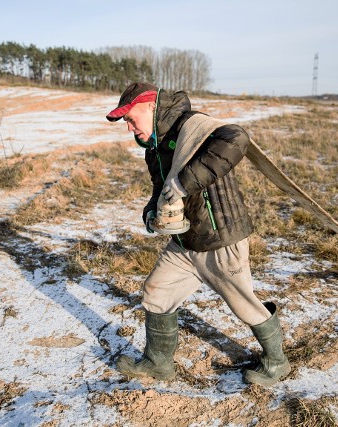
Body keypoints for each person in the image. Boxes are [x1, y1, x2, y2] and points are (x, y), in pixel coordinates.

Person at [105, 82, 291, 387]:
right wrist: (152, 212)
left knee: (244, 303)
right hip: (184, 241)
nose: (128, 128)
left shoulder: (194, 127)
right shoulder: (155, 148)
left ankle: (277, 361)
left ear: (151, 106)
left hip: (220, 238)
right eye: (124, 122)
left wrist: (182, 184)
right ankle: (158, 363)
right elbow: (160, 190)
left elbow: (237, 138)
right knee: (157, 291)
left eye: (130, 118)